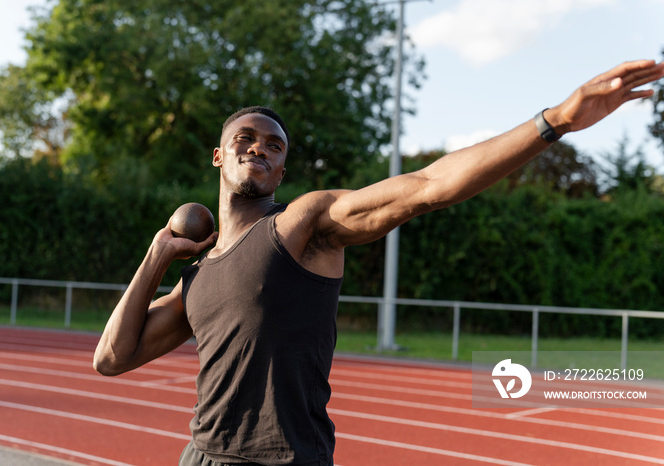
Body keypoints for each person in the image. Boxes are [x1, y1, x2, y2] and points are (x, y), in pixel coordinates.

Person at [93, 59, 664, 465]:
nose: (259, 148)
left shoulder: (302, 227)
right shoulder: (198, 276)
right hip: (199, 455)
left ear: (283, 170)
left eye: (274, 145)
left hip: (284, 459)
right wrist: (157, 254)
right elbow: (111, 358)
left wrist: (556, 120)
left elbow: (426, 186)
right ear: (220, 155)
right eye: (245, 138)